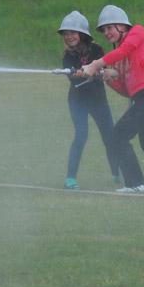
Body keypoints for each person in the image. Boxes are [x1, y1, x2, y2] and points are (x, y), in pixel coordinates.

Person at [81, 5, 144, 193]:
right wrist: (105, 76)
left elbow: (125, 49)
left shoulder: (137, 32)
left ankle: (136, 183)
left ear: (122, 26)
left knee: (118, 135)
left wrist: (96, 64)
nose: (106, 33)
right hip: (141, 99)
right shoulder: (118, 57)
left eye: (110, 28)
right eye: (103, 30)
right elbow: (127, 91)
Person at [57, 10, 119, 190]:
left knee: (109, 136)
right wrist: (78, 74)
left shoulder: (97, 50)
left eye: (72, 32)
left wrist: (96, 72)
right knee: (81, 134)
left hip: (98, 100)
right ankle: (70, 178)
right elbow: (72, 78)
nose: (69, 37)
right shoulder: (67, 56)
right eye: (66, 33)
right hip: (77, 101)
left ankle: (116, 173)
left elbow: (104, 69)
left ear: (82, 34)